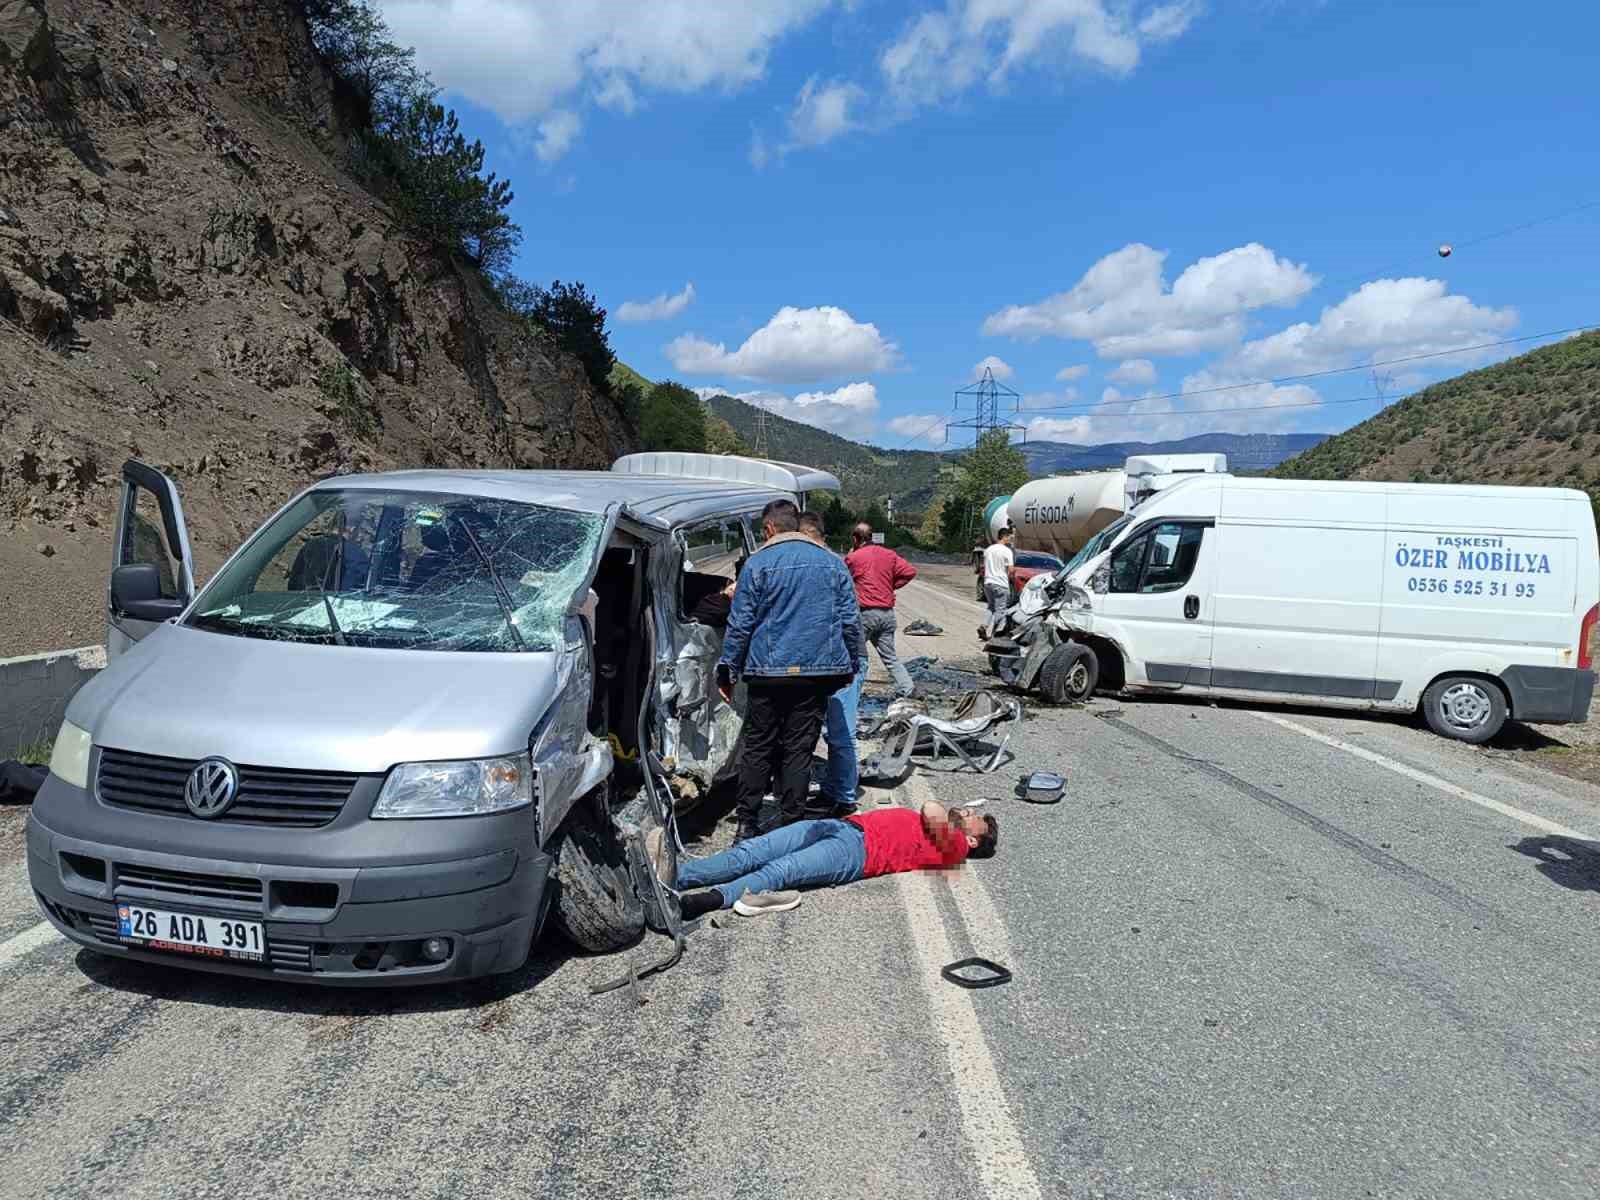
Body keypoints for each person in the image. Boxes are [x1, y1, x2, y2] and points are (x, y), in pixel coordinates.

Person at [718, 499, 864, 840]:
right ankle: (792, 825)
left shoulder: (758, 564)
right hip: (816, 675)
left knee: (758, 746)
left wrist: (728, 669)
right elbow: (850, 621)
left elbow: (740, 623)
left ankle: (746, 823)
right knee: (799, 749)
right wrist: (852, 663)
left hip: (767, 673)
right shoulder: (832, 563)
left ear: (769, 528)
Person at [664, 801, 999, 918]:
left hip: (856, 853)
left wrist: (958, 815)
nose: (969, 812)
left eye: (975, 818)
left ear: (972, 839)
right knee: (752, 851)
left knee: (781, 870)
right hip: (844, 827)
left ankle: (708, 900)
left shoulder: (955, 847)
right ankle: (675, 877)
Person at [798, 511, 865, 819]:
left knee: (840, 731)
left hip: (844, 660)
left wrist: (853, 661)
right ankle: (835, 789)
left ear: (810, 534)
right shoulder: (829, 563)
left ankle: (843, 797)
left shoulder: (830, 565)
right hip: (832, 659)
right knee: (833, 730)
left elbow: (849, 621)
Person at [844, 522, 917, 698]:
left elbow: (841, 581)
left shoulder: (855, 558)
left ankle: (850, 696)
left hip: (865, 614)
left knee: (855, 657)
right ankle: (909, 689)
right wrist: (890, 586)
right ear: (871, 537)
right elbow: (910, 571)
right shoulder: (889, 554)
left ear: (855, 538)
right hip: (887, 615)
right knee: (890, 658)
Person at [980, 526, 1015, 640]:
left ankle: (984, 626)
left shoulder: (988, 550)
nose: (1010, 539)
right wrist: (1010, 578)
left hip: (988, 582)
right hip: (1000, 583)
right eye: (1009, 537)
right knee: (1001, 610)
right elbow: (1011, 570)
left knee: (991, 607)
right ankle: (996, 634)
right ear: (1004, 537)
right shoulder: (1007, 551)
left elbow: (984, 566)